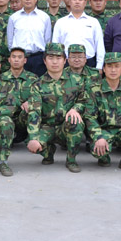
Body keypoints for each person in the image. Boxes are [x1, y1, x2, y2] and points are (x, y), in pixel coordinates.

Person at [26, 43, 88, 173]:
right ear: (44, 61)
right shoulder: (37, 85)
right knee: (34, 144)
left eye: (58, 58)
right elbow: (34, 112)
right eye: (50, 58)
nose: (55, 62)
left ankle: (71, 160)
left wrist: (75, 109)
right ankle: (48, 151)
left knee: (76, 122)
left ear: (65, 60)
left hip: (66, 126)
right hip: (46, 127)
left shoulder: (77, 80)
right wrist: (33, 138)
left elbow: (83, 101)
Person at [52, 0, 104, 68]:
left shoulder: (93, 22)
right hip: (66, 64)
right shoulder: (60, 22)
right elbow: (55, 46)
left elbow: (99, 46)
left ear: (85, 3)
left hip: (89, 63)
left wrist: (99, 66)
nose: (77, 2)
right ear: (70, 2)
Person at [7, 0, 51, 76]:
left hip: (38, 58)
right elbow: (10, 41)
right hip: (19, 59)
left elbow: (47, 40)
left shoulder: (44, 17)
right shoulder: (14, 18)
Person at [0, 46, 38, 142]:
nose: (16, 60)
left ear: (25, 60)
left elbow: (39, 95)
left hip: (23, 117)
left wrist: (30, 101)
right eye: (14, 57)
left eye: (20, 57)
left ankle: (32, 139)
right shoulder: (1, 78)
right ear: (9, 59)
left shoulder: (33, 78)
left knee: (33, 110)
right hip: (7, 116)